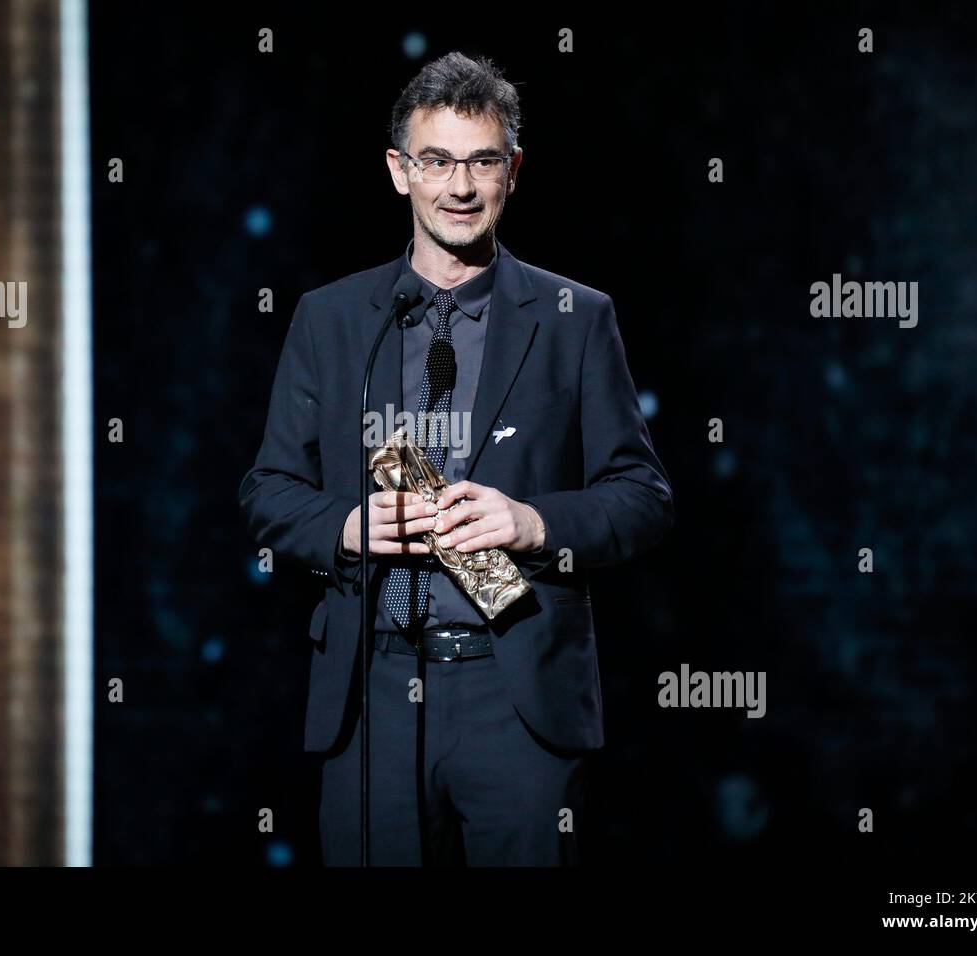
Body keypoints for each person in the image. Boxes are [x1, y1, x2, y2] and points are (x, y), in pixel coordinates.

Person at [238, 51, 674, 866]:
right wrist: (345, 524)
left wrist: (534, 520)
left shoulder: (575, 317)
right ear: (400, 171)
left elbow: (644, 496)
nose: (460, 186)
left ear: (513, 170)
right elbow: (266, 491)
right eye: (437, 161)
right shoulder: (329, 320)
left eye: (481, 161)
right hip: (372, 694)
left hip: (517, 697)